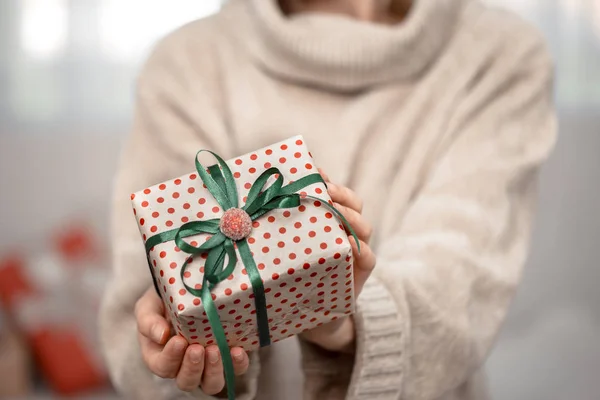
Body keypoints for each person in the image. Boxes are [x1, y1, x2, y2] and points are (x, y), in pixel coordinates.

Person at [99, 0, 557, 399]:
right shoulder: (186, 62)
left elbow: (459, 280)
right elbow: (142, 307)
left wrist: (342, 320)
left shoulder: (498, 54)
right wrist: (179, 354)